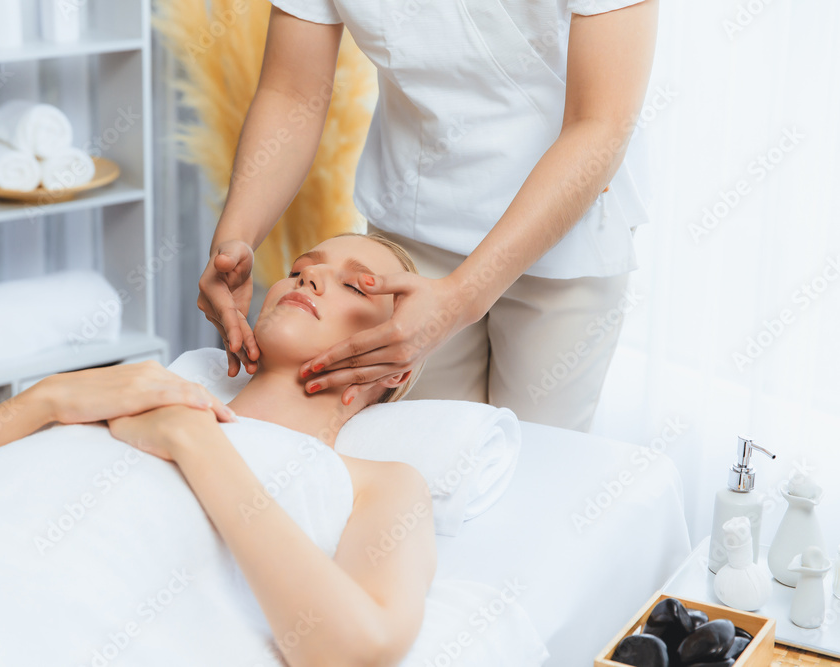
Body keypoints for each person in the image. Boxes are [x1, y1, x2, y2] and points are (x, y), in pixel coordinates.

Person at [0, 233, 436, 667]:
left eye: (355, 284)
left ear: (397, 370)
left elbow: (356, 651)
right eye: (300, 268)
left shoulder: (378, 483)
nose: (308, 279)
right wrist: (44, 399)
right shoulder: (139, 389)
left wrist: (193, 440)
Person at [198, 0, 659, 432]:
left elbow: (601, 121)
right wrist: (235, 239)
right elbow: (292, 93)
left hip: (561, 236)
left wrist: (462, 297)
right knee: (418, 446)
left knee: (534, 459)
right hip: (411, 231)